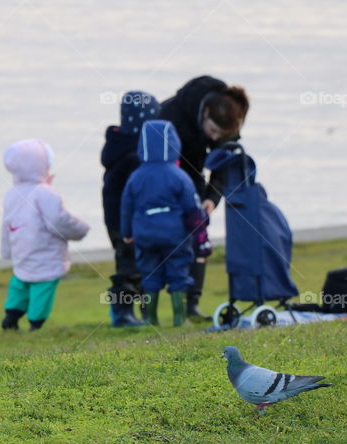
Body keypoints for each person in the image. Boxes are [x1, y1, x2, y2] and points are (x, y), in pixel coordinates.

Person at [160, 76, 250, 320]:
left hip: (195, 180)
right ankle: (147, 309)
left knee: (199, 239)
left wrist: (212, 197)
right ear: (206, 112)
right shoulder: (170, 115)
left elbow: (221, 163)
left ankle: (192, 305)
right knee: (159, 243)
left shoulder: (228, 122)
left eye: (218, 136)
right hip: (166, 181)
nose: (213, 138)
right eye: (211, 131)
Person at [120, 120, 204, 326]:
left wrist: (127, 232)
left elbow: (126, 207)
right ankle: (179, 318)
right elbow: (191, 207)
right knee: (178, 271)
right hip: (174, 234)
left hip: (145, 233)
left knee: (149, 273)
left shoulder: (136, 177)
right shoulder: (179, 176)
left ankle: (150, 319)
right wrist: (199, 230)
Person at [0, 139, 90, 330]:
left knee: (21, 282)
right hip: (45, 251)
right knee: (43, 286)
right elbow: (58, 220)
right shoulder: (45, 193)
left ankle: (11, 316)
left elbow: (6, 224)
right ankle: (36, 323)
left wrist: (7, 250)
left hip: (21, 250)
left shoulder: (12, 193)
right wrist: (80, 229)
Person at [101, 90, 160, 327]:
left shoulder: (121, 146)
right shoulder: (133, 155)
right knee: (129, 267)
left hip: (123, 220)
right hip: (125, 222)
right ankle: (122, 312)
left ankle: (142, 312)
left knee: (140, 265)